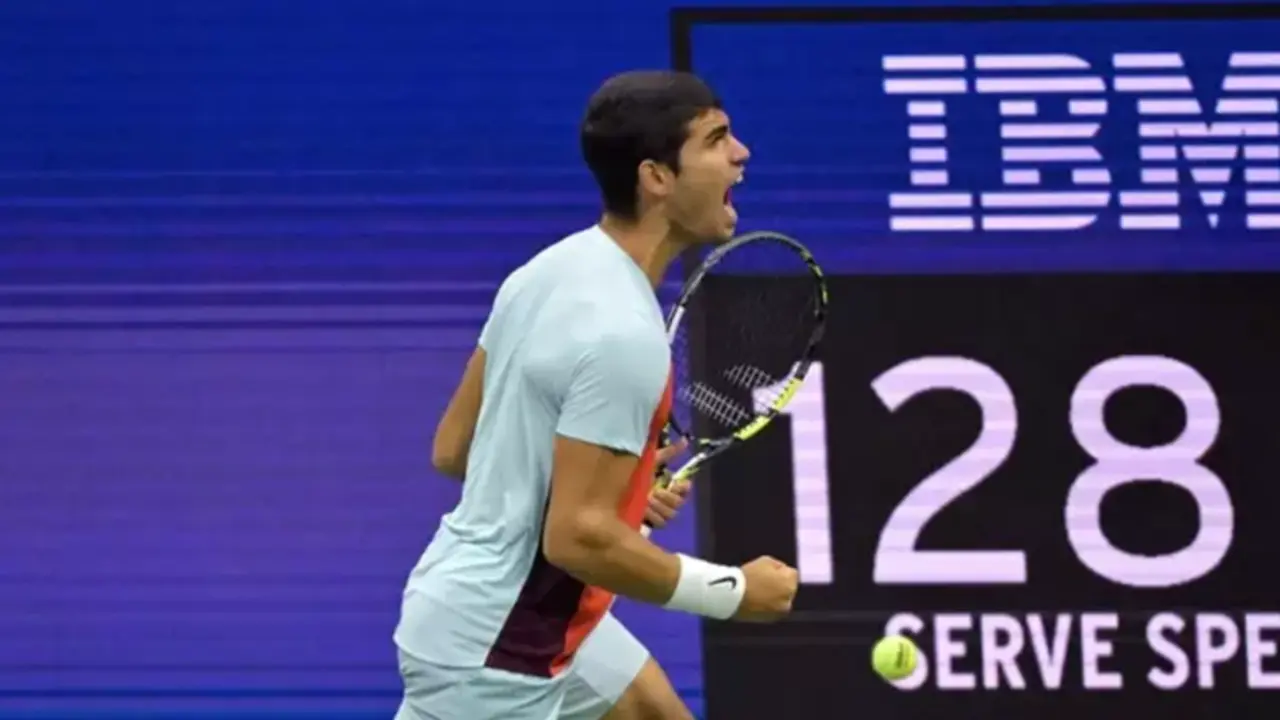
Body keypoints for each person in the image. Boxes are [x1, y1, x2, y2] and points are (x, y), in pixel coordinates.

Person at [392, 69, 799, 720]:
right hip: (503, 651)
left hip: (486, 608)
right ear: (656, 177)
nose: (740, 152)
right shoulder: (624, 337)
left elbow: (456, 449)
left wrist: (615, 497)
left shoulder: (546, 271)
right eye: (717, 138)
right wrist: (732, 591)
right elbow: (578, 540)